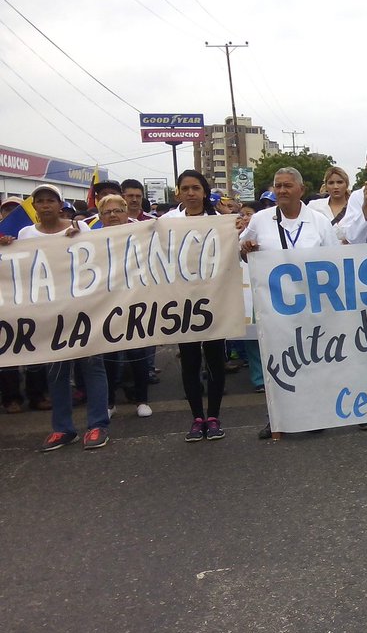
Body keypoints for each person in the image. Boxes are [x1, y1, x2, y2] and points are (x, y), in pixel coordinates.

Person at [0, 184, 110, 451]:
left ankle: (98, 425)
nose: (46, 205)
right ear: (34, 207)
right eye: (41, 201)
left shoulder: (79, 228)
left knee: (92, 367)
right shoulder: (25, 234)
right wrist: (7, 246)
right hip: (48, 313)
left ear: (60, 205)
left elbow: (99, 254)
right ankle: (62, 428)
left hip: (83, 309)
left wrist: (80, 238)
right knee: (57, 370)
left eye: (51, 200)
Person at [241, 167, 339, 439]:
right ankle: (278, 418)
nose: (281, 190)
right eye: (277, 185)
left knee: (312, 361)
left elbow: (335, 260)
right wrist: (246, 249)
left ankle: (314, 414)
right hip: (275, 306)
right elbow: (242, 249)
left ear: (301, 189)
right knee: (278, 363)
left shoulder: (318, 221)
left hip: (311, 305)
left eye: (287, 185)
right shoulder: (261, 220)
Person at [160, 170, 228, 442]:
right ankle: (196, 417)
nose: (190, 193)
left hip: (214, 299)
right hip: (181, 301)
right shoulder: (166, 222)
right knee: (189, 361)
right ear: (178, 193)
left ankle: (213, 416)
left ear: (204, 192)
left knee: (214, 361)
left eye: (196, 188)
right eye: (185, 188)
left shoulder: (220, 221)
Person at [94, 195, 153, 419]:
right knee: (109, 355)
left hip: (135, 300)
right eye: (107, 212)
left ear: (126, 213)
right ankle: (109, 403)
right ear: (100, 216)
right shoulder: (91, 239)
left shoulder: (141, 233)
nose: (113, 215)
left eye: (118, 210)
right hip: (106, 304)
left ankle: (142, 399)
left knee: (137, 353)